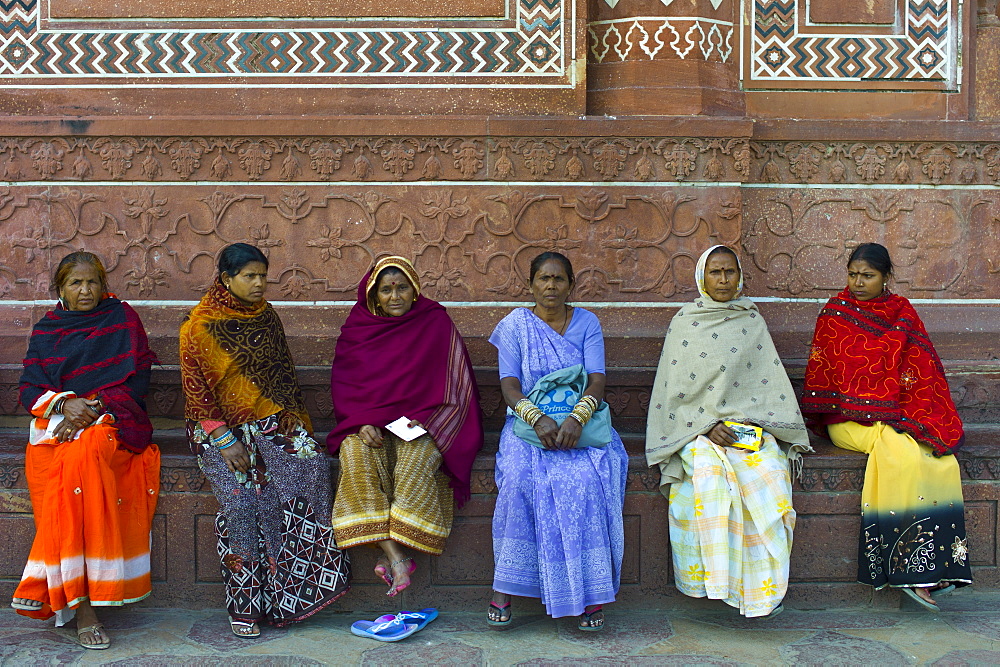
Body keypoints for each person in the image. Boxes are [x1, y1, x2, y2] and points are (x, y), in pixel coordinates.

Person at [179, 243, 349, 637]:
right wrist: (224, 440)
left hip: (273, 419)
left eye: (262, 276)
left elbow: (281, 375)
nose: (259, 284)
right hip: (217, 429)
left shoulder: (267, 316)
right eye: (250, 277)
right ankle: (245, 605)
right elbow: (198, 393)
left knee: (309, 466)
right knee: (243, 502)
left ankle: (294, 594)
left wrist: (290, 420)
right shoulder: (198, 324)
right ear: (226, 279)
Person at [802, 242, 971, 610]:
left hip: (898, 416)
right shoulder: (835, 313)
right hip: (845, 419)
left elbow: (922, 372)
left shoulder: (903, 314)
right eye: (852, 275)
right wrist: (880, 413)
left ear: (886, 277)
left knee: (940, 461)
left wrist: (904, 414)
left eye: (868, 276)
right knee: (899, 453)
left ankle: (939, 567)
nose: (858, 283)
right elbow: (827, 373)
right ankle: (907, 568)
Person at [645, 245, 811, 618]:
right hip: (696, 433)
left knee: (770, 476)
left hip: (750, 429)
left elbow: (765, 384)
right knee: (709, 479)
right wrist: (706, 427)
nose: (723, 279)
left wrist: (751, 424)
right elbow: (674, 394)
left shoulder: (751, 320)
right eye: (715, 272)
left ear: (740, 277)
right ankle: (717, 584)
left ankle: (762, 591)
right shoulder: (686, 322)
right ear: (701, 278)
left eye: (729, 272)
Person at [11, 251, 160, 650]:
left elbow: (137, 381)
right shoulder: (48, 329)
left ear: (103, 283)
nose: (85, 290)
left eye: (92, 281)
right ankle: (77, 596)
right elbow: (29, 387)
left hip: (112, 423)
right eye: (75, 283)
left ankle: (83, 607)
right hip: (57, 426)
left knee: (83, 456)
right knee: (64, 468)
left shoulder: (122, 319)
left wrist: (94, 408)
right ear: (60, 289)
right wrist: (64, 403)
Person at [487, 251, 627, 631]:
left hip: (582, 420)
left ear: (570, 285)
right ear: (530, 284)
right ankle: (505, 587)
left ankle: (589, 595)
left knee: (588, 481)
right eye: (543, 279)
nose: (551, 286)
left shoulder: (587, 323)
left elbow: (597, 379)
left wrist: (577, 417)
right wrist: (537, 418)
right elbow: (510, 386)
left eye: (559, 279)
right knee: (517, 478)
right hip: (527, 423)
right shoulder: (516, 326)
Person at [328, 256, 483, 596]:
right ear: (373, 296)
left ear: (415, 290)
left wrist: (427, 421)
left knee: (415, 461)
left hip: (424, 422)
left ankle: (396, 553)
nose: (395, 296)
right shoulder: (357, 330)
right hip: (370, 421)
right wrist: (360, 421)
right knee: (355, 455)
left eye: (402, 288)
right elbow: (346, 386)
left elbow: (457, 386)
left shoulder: (435, 323)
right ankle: (396, 557)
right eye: (386, 290)